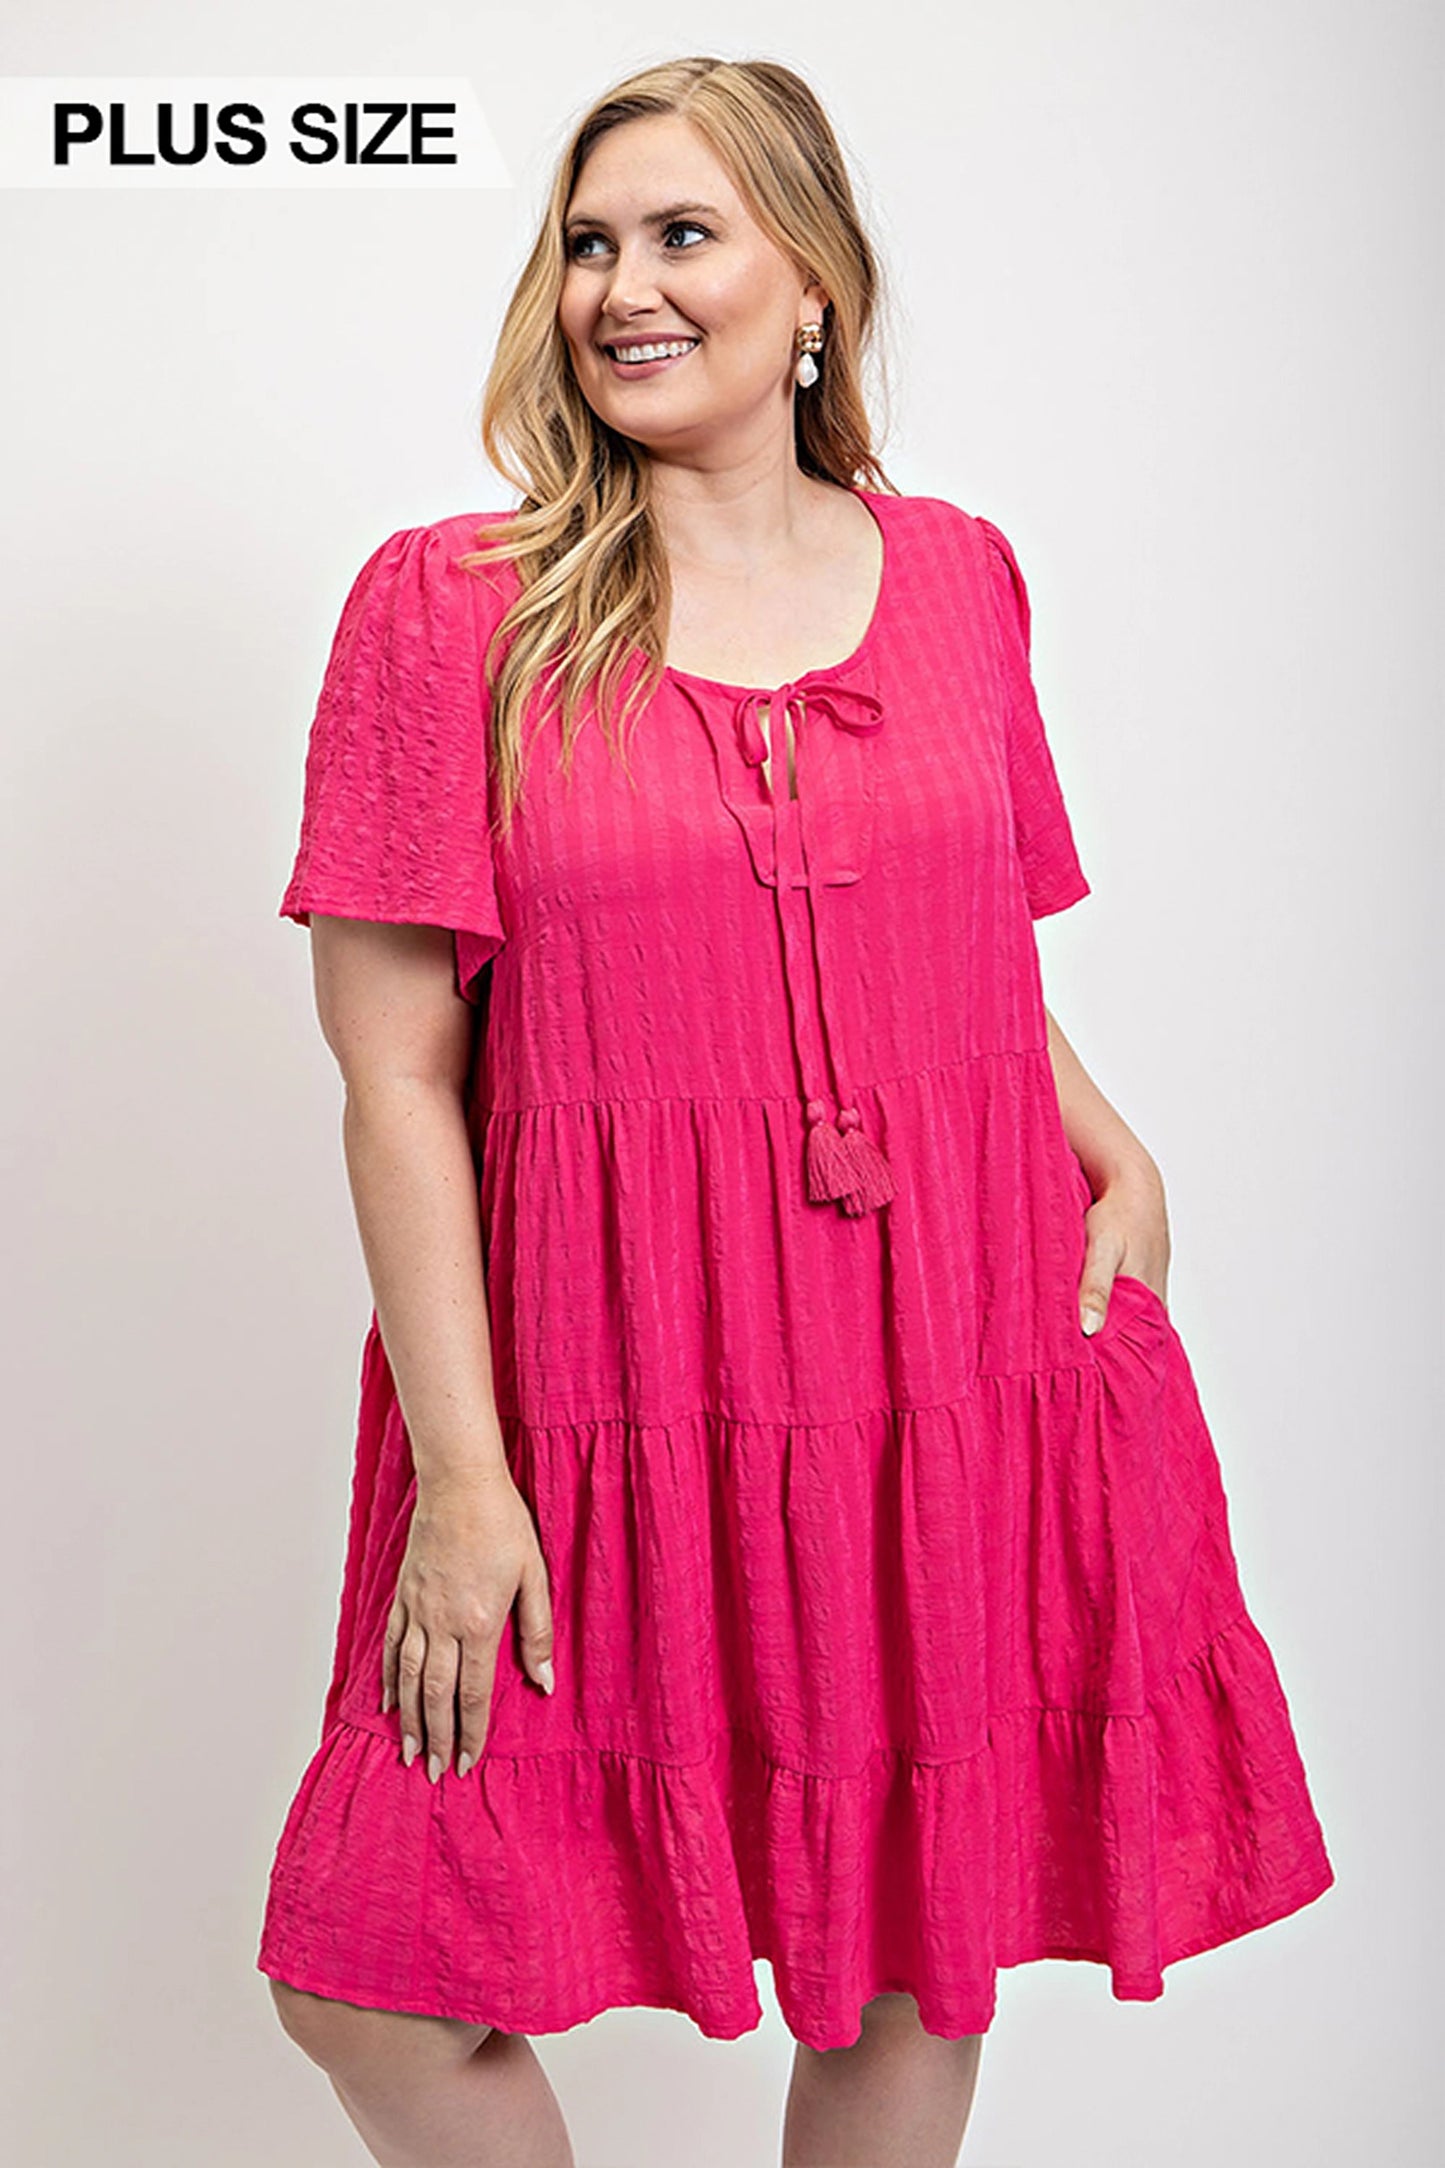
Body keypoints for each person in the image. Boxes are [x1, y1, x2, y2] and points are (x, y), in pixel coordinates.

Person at [256, 53, 1334, 2168]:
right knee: (370, 1979)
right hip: (607, 1384)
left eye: (684, 234)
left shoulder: (959, 578)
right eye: (588, 244)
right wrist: (466, 1480)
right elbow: (394, 1077)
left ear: (814, 280)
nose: (623, 288)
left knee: (928, 1929)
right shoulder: (449, 608)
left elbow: (968, 943)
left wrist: (1107, 1133)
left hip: (956, 1355)